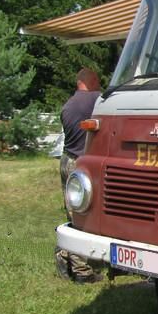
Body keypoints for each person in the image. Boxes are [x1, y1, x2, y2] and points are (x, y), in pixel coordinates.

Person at [55, 67, 103, 283]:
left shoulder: (68, 105)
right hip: (82, 163)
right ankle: (82, 271)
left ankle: (63, 257)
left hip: (66, 160)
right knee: (84, 216)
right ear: (91, 80)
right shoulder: (94, 99)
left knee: (72, 212)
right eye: (98, 80)